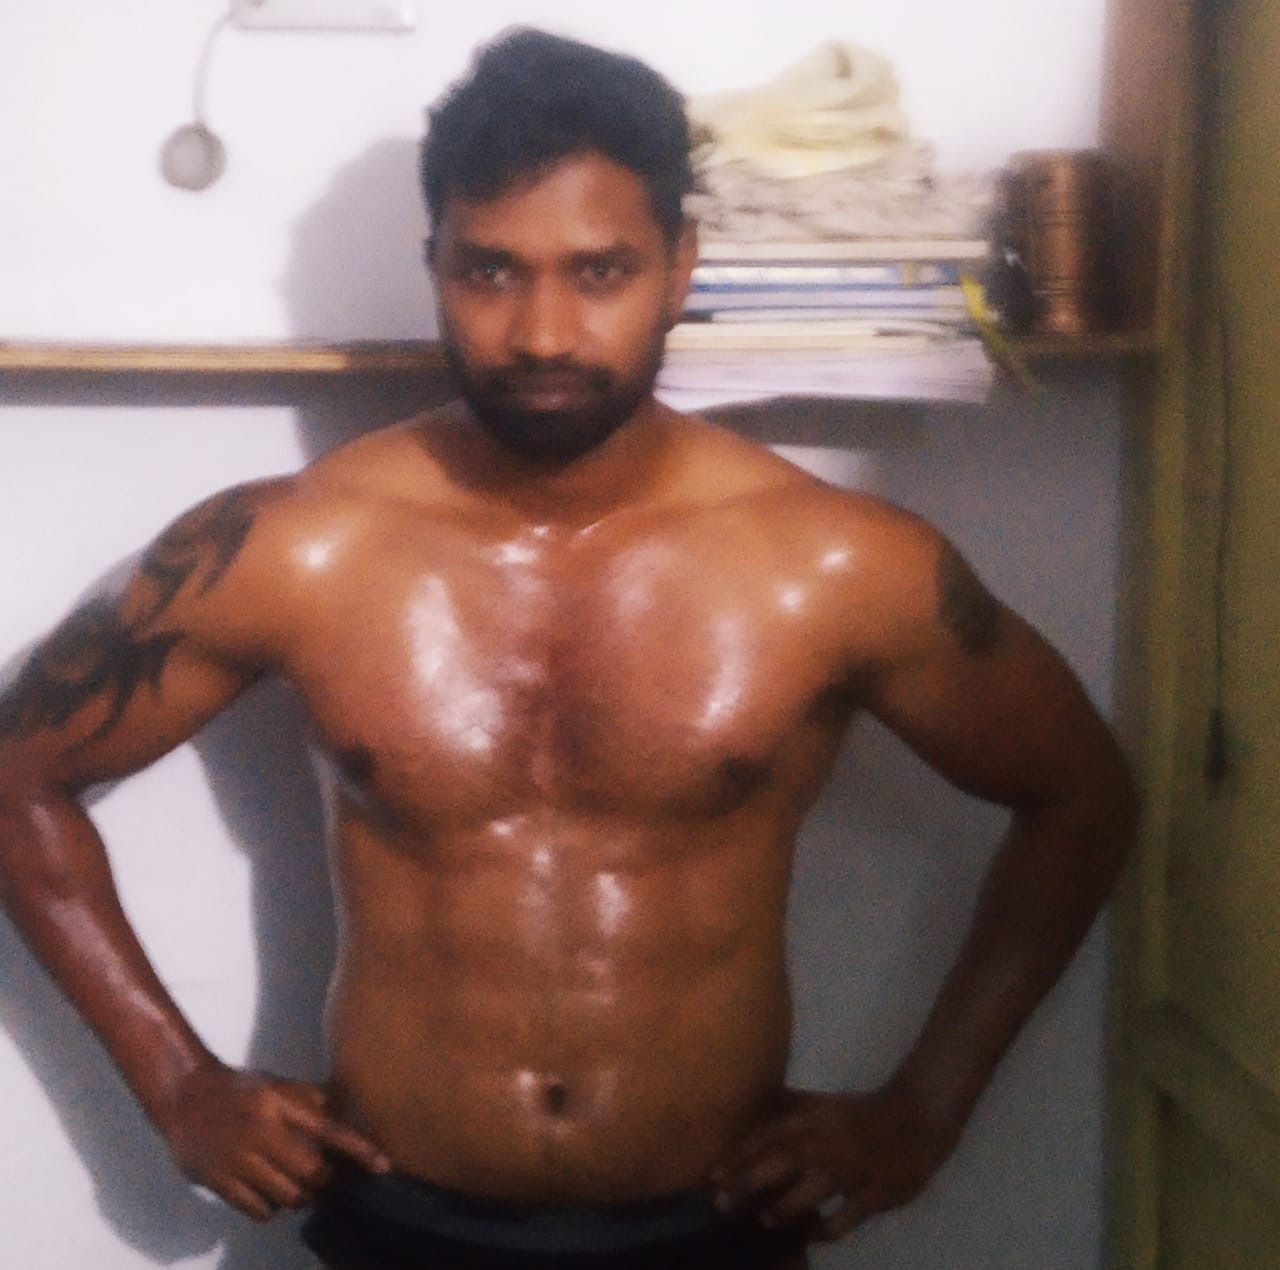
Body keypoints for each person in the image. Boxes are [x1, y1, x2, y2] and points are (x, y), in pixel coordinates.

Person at [0, 27, 1136, 1270]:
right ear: (433, 266)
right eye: (490, 271)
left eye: (599, 271)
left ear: (678, 265)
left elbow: (1080, 795)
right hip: (398, 1224)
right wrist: (176, 1082)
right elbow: (17, 777)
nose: (542, 332)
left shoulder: (833, 565)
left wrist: (924, 1110)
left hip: (713, 1228)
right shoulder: (297, 548)